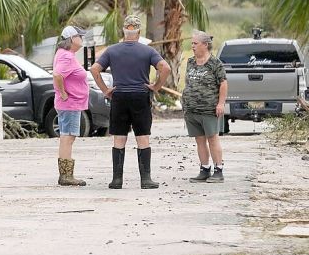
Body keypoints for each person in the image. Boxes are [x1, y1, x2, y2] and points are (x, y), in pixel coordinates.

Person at [90, 15, 172, 189]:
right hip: (140, 96)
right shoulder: (147, 51)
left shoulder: (112, 50)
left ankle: (117, 180)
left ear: (124, 31)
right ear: (139, 32)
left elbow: (94, 68)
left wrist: (105, 90)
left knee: (119, 138)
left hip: (119, 96)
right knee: (142, 137)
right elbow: (165, 68)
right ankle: (146, 179)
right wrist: (156, 86)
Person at [182, 30, 228, 183]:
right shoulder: (191, 62)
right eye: (192, 43)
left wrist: (221, 103)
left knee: (212, 138)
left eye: (195, 43)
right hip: (191, 109)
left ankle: (218, 170)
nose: (192, 46)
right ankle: (204, 169)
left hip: (209, 109)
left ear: (205, 45)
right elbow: (188, 82)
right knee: (199, 140)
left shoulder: (215, 63)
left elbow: (223, 84)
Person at [53, 25, 89, 186]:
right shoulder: (66, 56)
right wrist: (63, 92)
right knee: (68, 137)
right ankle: (66, 176)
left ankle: (65, 175)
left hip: (71, 103)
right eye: (79, 36)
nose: (81, 38)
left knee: (66, 137)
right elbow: (57, 75)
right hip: (70, 103)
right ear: (71, 39)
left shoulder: (66, 55)